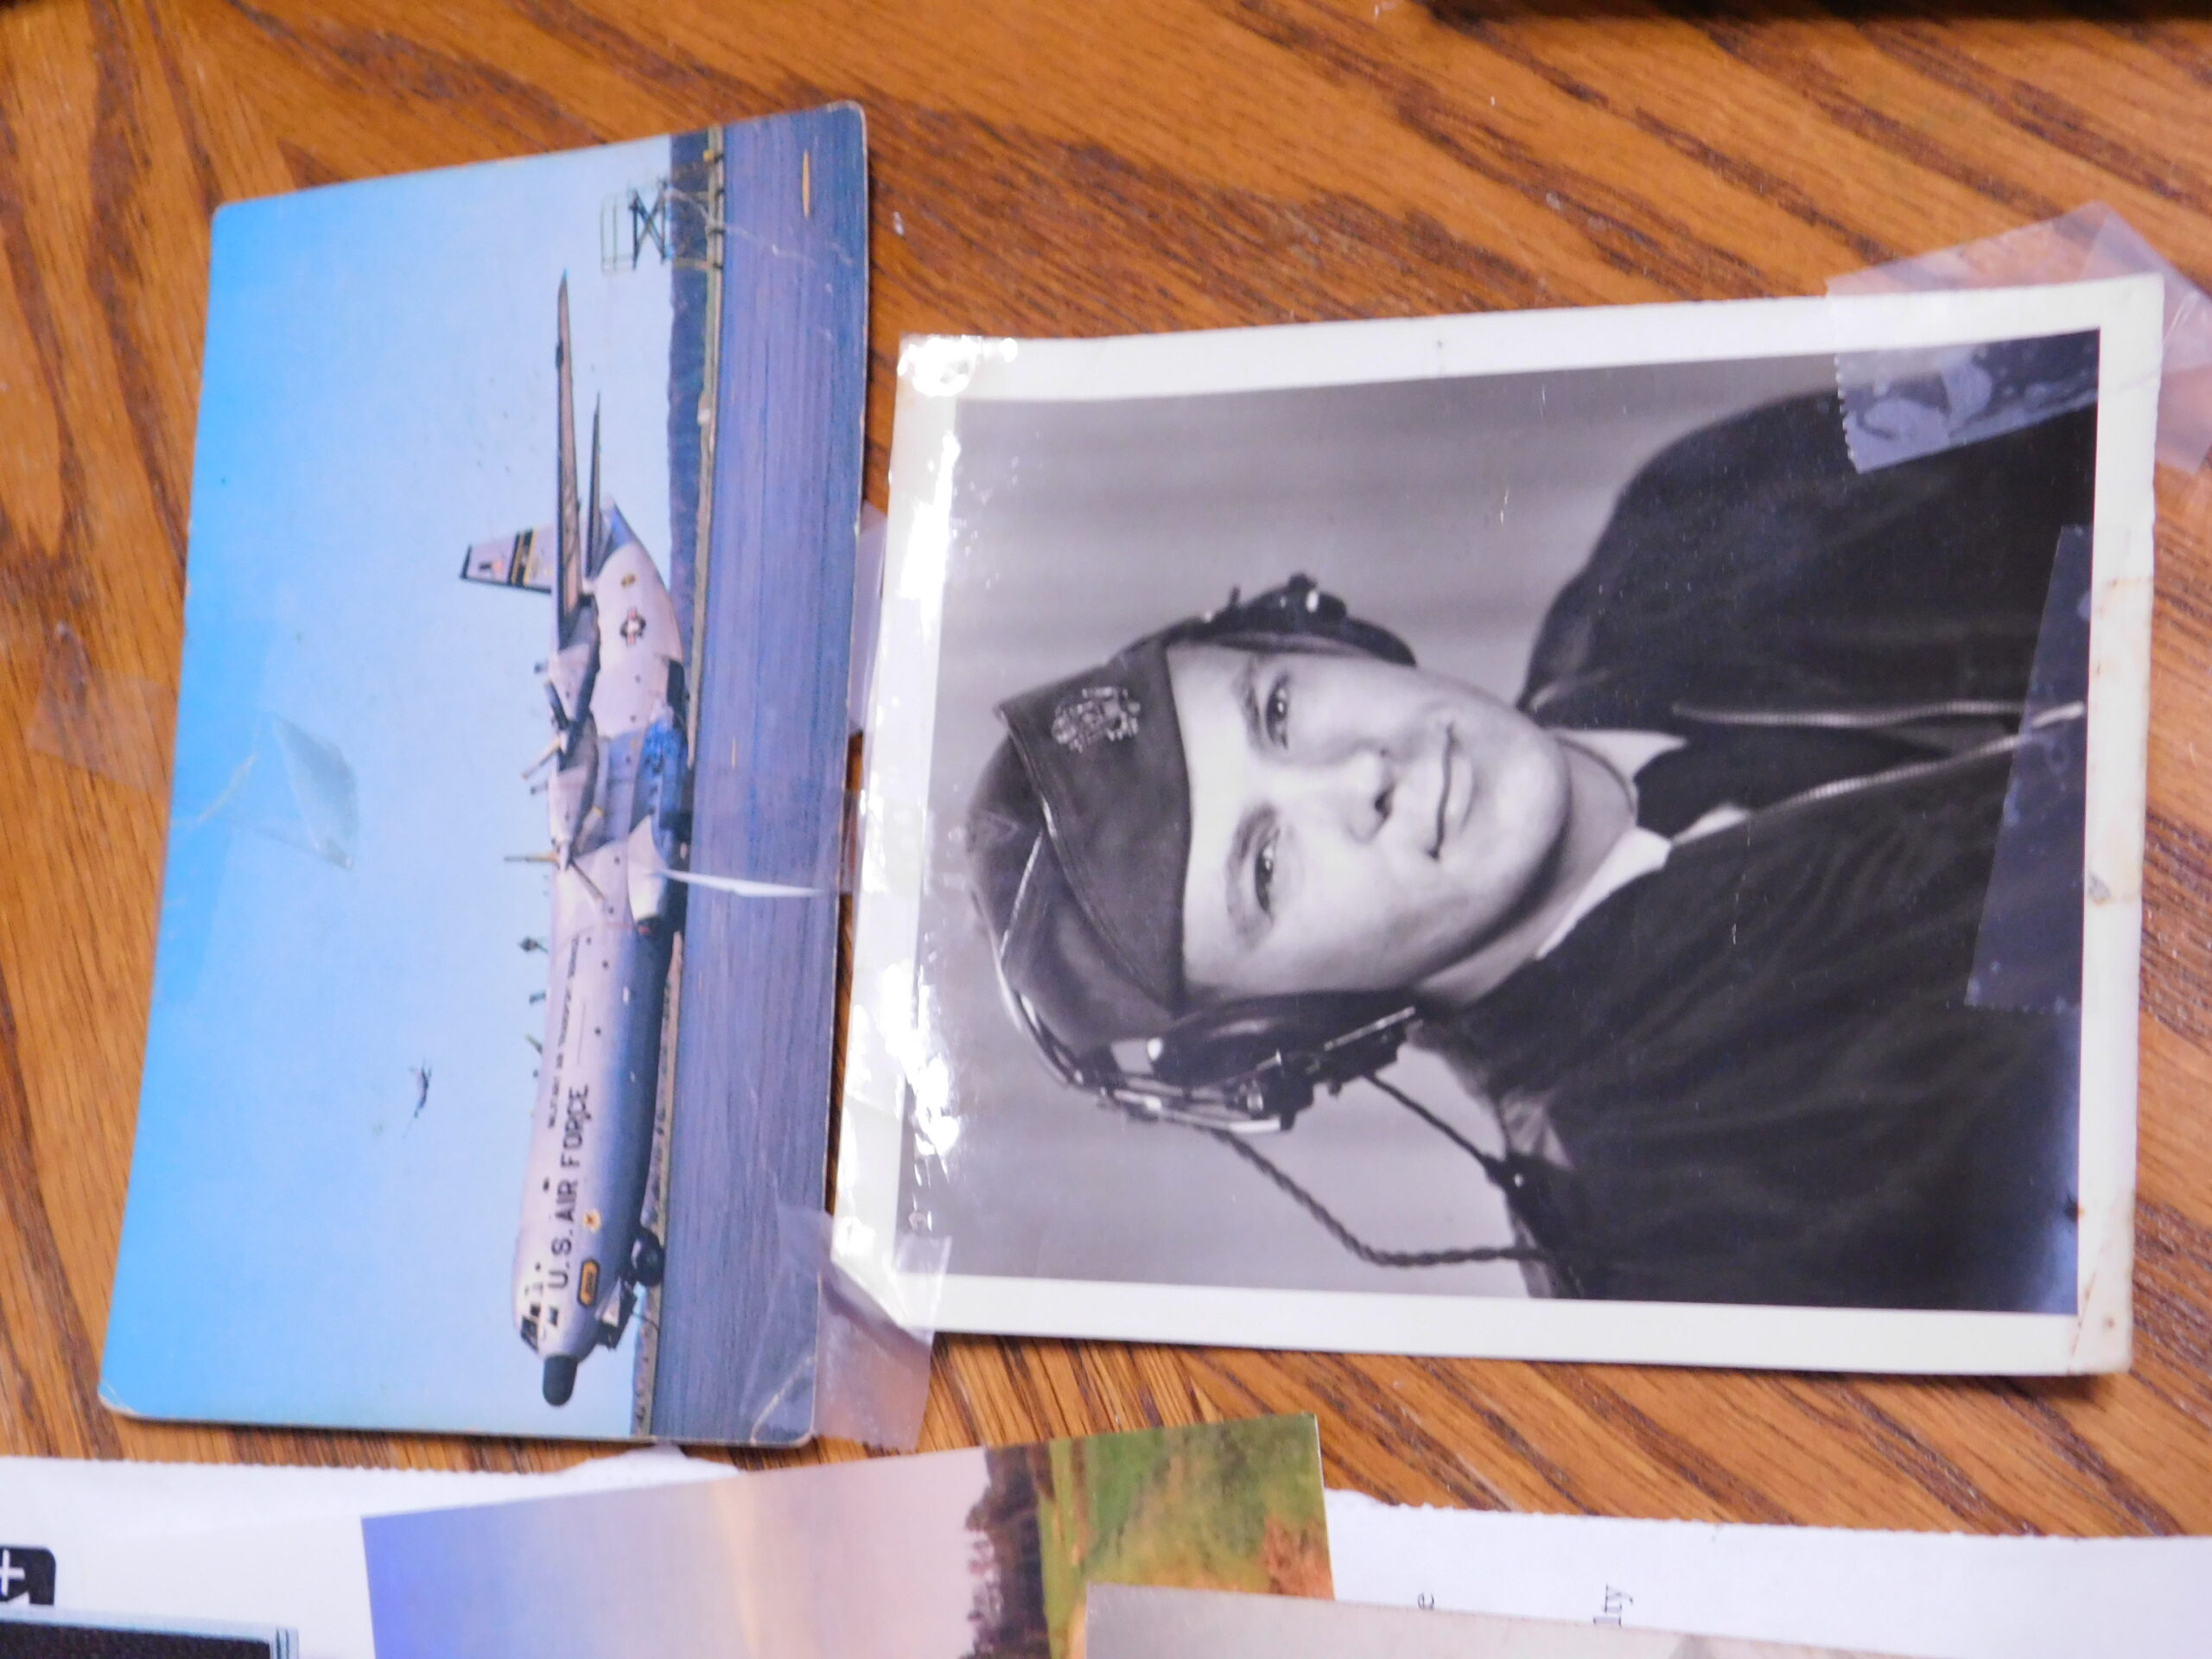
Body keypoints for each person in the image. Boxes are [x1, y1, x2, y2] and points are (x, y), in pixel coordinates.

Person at [964, 385, 2096, 1311]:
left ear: (1320, 636)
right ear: (1289, 1028)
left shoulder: (1689, 506)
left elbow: (2127, 393)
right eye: (1266, 870)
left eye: (1279, 711)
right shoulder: (1662, 1240)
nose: (1360, 775)